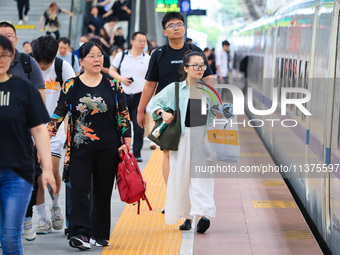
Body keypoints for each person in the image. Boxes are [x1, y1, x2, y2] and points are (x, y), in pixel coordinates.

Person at [47, 41, 131, 250]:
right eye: (91, 56)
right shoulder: (71, 85)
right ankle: (80, 233)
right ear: (81, 60)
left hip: (109, 147)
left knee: (102, 192)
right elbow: (59, 113)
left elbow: (123, 113)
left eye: (99, 55)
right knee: (80, 189)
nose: (97, 59)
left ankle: (100, 233)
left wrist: (126, 140)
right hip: (79, 148)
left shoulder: (113, 84)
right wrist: (45, 137)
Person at [137, 12, 214, 207]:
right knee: (168, 153)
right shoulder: (159, 55)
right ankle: (172, 198)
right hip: (168, 111)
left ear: (185, 28)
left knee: (194, 152)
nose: (176, 28)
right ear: (165, 31)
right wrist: (140, 110)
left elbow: (209, 78)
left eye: (179, 24)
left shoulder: (195, 51)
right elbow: (149, 85)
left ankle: (191, 197)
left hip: (194, 106)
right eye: (171, 25)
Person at [0, 34, 56, 255]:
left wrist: (48, 170)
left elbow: (40, 129)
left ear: (11, 56)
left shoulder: (23, 88)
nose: (1, 59)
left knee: (10, 238)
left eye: (5, 55)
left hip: (17, 172)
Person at [150, 50, 216, 233]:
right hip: (182, 138)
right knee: (181, 178)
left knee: (202, 177)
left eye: (202, 65)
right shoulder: (176, 89)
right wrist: (163, 113)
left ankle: (203, 214)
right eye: (195, 65)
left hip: (202, 139)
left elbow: (215, 116)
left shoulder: (208, 91)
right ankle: (187, 217)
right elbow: (153, 104)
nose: (199, 69)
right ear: (186, 68)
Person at [32, 35, 76, 235]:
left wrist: (67, 127)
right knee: (38, 175)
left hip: (56, 127)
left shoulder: (62, 67)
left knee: (54, 168)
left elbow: (71, 98)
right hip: (33, 128)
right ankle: (42, 218)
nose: (42, 66)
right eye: (39, 61)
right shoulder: (29, 67)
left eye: (46, 62)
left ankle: (56, 206)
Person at [109, 31, 150, 162]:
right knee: (122, 124)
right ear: (132, 42)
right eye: (140, 41)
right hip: (123, 96)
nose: (143, 44)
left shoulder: (147, 59)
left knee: (139, 126)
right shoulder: (122, 56)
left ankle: (137, 153)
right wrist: (121, 79)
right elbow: (111, 70)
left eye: (145, 41)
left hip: (140, 96)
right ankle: (122, 150)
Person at [0, 22, 45, 101]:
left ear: (16, 40)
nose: (5, 40)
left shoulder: (28, 62)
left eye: (9, 36)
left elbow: (40, 96)